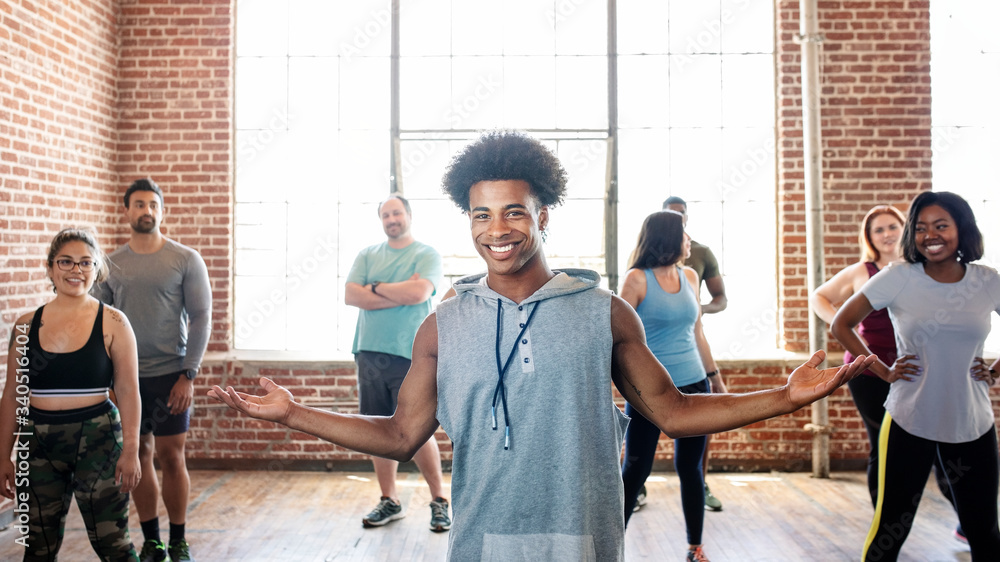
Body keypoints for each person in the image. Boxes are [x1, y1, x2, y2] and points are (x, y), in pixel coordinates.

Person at [209, 130, 875, 562]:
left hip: (584, 540)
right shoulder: (444, 323)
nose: (496, 230)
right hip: (482, 541)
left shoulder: (603, 311)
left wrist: (784, 398)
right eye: (480, 214)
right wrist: (293, 413)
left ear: (544, 214)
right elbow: (399, 435)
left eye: (513, 211)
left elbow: (671, 412)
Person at [831, 191, 1000, 561]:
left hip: (972, 423)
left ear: (962, 229)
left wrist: (995, 370)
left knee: (985, 533)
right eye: (920, 228)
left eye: (941, 225)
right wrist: (882, 369)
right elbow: (841, 323)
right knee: (891, 530)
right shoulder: (898, 277)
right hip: (910, 420)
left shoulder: (987, 280)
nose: (930, 235)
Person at [1, 228, 142, 560]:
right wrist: (2, 455)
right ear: (50, 267)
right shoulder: (25, 326)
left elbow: (128, 390)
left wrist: (132, 449)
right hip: (37, 444)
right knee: (37, 547)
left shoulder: (114, 322)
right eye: (65, 261)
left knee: (114, 544)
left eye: (85, 263)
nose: (75, 270)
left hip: (99, 440)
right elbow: (12, 396)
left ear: (96, 271)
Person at [94, 179, 211, 562]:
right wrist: (108, 379)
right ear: (126, 211)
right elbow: (99, 324)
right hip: (127, 379)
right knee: (138, 453)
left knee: (172, 455)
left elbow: (200, 318)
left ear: (162, 211)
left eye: (153, 205)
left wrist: (188, 374)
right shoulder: (110, 265)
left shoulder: (185, 258)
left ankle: (178, 540)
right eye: (139, 204)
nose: (147, 211)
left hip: (171, 375)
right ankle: (153, 541)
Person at [619, 210, 727, 561]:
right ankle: (608, 546)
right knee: (636, 469)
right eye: (683, 233)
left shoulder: (691, 276)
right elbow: (619, 339)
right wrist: (625, 386)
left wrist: (715, 378)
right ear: (667, 238)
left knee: (691, 469)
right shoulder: (636, 280)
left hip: (694, 384)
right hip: (648, 390)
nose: (689, 241)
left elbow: (697, 333)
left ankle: (695, 548)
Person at [344, 193, 451, 532]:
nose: (392, 219)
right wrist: (396, 291)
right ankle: (389, 500)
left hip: (412, 354)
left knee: (417, 428)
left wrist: (373, 288)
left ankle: (439, 501)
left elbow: (419, 294)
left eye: (397, 213)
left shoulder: (426, 253)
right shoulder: (367, 254)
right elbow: (351, 295)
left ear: (408, 215)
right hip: (370, 351)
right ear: (381, 220)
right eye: (386, 215)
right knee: (377, 428)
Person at [662, 196, 726, 512]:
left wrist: (695, 310)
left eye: (681, 215)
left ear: (688, 218)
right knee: (642, 429)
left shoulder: (699, 254)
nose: (677, 220)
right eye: (670, 215)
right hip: (657, 353)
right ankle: (638, 485)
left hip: (691, 345)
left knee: (700, 424)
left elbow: (721, 299)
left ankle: (700, 481)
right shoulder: (645, 257)